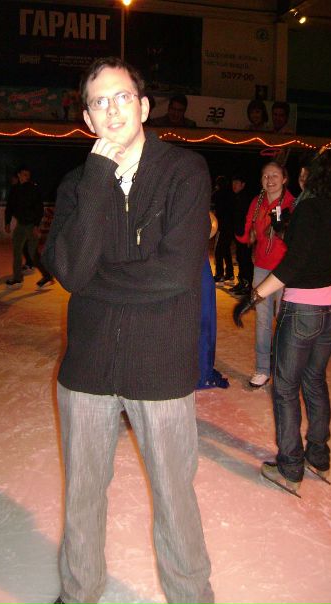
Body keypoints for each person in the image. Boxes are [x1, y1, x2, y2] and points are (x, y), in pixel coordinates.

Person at [42, 56, 214, 604]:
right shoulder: (78, 183)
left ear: (143, 106)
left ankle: (192, 596)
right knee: (83, 495)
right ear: (87, 118)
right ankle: (79, 592)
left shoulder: (184, 172)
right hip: (87, 367)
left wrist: (95, 281)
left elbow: (175, 273)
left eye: (122, 97)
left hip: (160, 366)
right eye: (99, 101)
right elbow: (69, 269)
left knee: (174, 499)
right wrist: (97, 177)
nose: (112, 110)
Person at [233, 149, 331, 497]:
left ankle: (290, 466)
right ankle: (318, 456)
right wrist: (286, 229)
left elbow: (293, 265)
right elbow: (317, 251)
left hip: (305, 310)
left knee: (284, 387)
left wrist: (253, 297)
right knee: (314, 378)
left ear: (306, 176)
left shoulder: (308, 209)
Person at [235, 161, 294, 387]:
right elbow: (248, 233)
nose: (270, 180)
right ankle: (262, 369)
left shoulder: (292, 203)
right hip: (261, 267)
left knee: (283, 318)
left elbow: (298, 239)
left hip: (285, 269)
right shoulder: (257, 202)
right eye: (266, 176)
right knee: (262, 319)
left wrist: (284, 227)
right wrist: (238, 232)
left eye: (275, 175)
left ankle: (283, 367)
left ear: (284, 179)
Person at [4, 166, 54, 288]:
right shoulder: (15, 189)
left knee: (33, 253)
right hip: (20, 225)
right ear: (19, 175)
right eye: (24, 174)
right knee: (16, 252)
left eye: (28, 174)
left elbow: (39, 208)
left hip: (31, 226)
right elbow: (9, 207)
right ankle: (17, 278)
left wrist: (36, 225)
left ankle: (47, 275)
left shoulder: (33, 189)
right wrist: (7, 222)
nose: (27, 176)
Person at [197, 212, 229, 389]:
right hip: (177, 268)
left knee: (202, 320)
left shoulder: (198, 205)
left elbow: (213, 226)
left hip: (197, 268)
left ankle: (199, 369)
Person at [229, 173, 253, 296]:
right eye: (233, 182)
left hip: (245, 235)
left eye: (237, 183)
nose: (234, 185)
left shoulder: (246, 198)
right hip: (239, 234)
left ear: (243, 185)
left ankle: (248, 285)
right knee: (241, 258)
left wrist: (247, 234)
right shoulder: (237, 197)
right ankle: (242, 283)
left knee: (245, 259)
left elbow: (248, 218)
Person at [212, 175, 235, 284]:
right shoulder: (231, 194)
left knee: (218, 251)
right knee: (226, 250)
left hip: (223, 226)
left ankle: (219, 274)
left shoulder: (218, 194)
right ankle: (230, 274)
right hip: (231, 226)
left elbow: (212, 204)